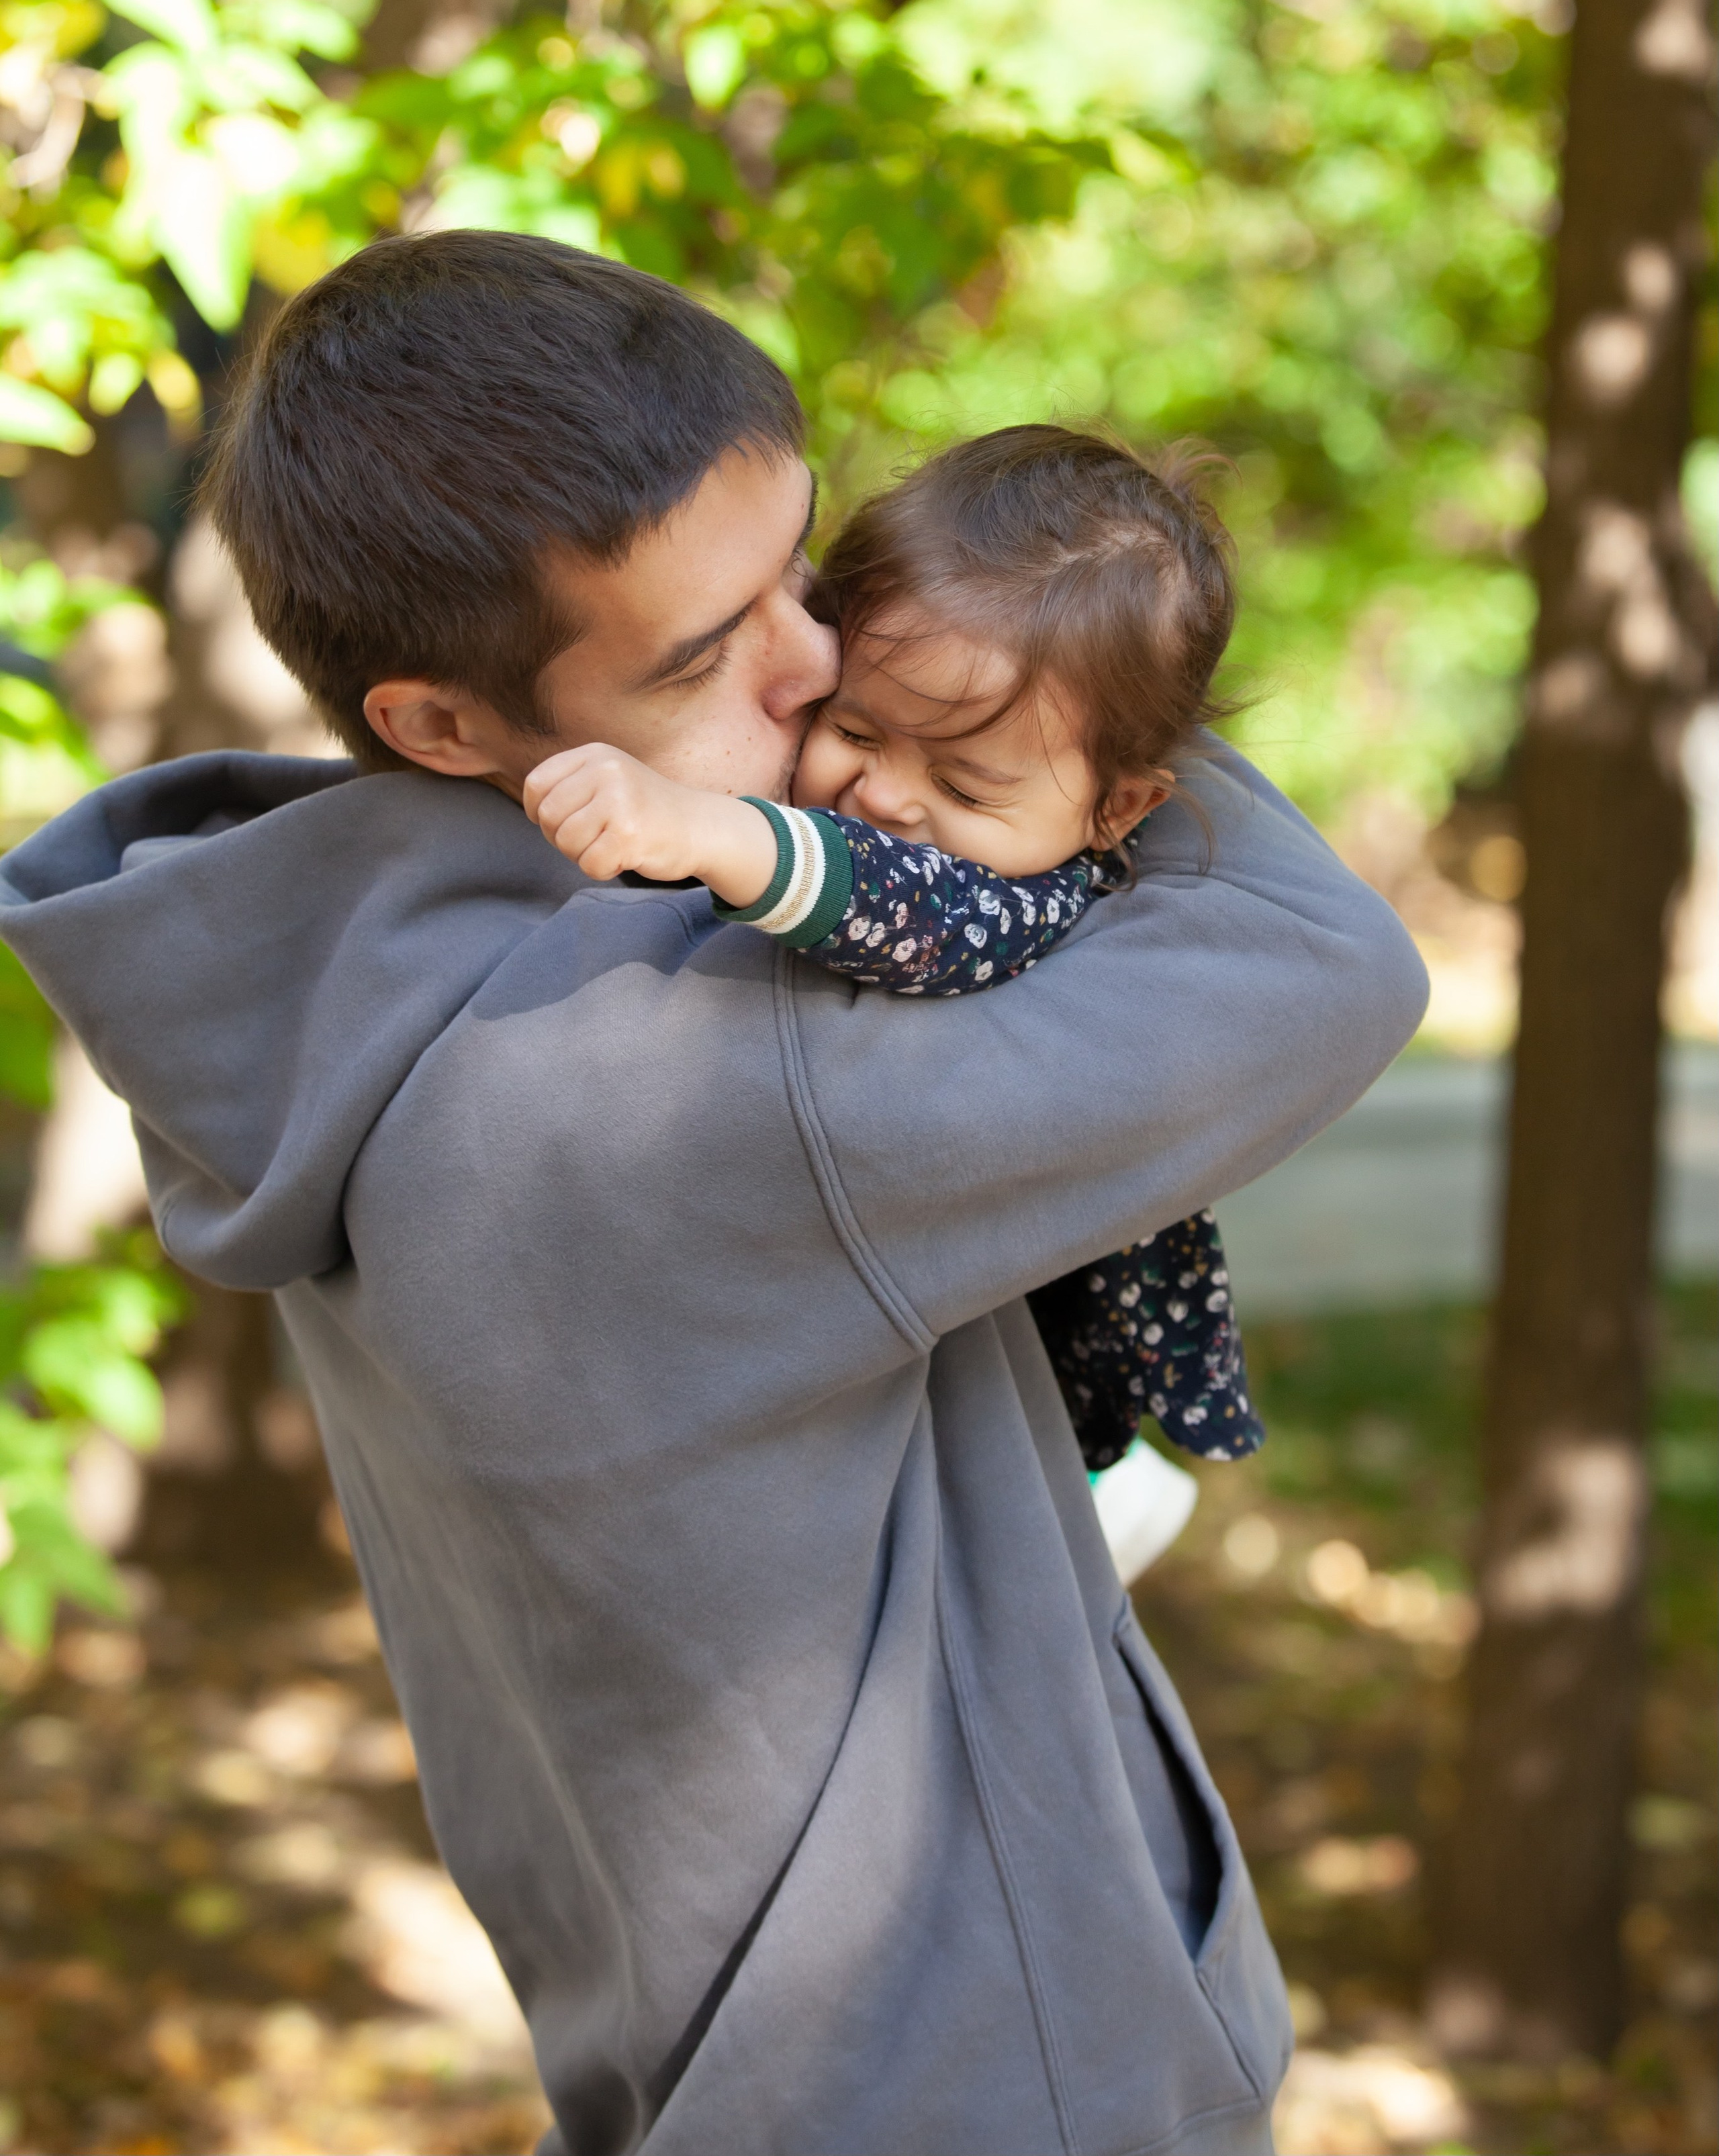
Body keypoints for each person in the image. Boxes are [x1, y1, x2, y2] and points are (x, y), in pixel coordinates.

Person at [0, 233, 1428, 2156]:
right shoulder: (692, 1084)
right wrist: (1050, 667)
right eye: (707, 648)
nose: (828, 664)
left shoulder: (358, 988)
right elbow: (1320, 965)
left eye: (812, 569)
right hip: (1002, 2083)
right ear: (439, 726)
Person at [523, 421, 1266, 1472]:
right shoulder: (963, 782)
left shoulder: (1043, 899)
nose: (883, 796)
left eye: (963, 785)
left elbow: (922, 916)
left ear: (1119, 807)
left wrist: (714, 831)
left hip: (1045, 1354)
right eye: (857, 729)